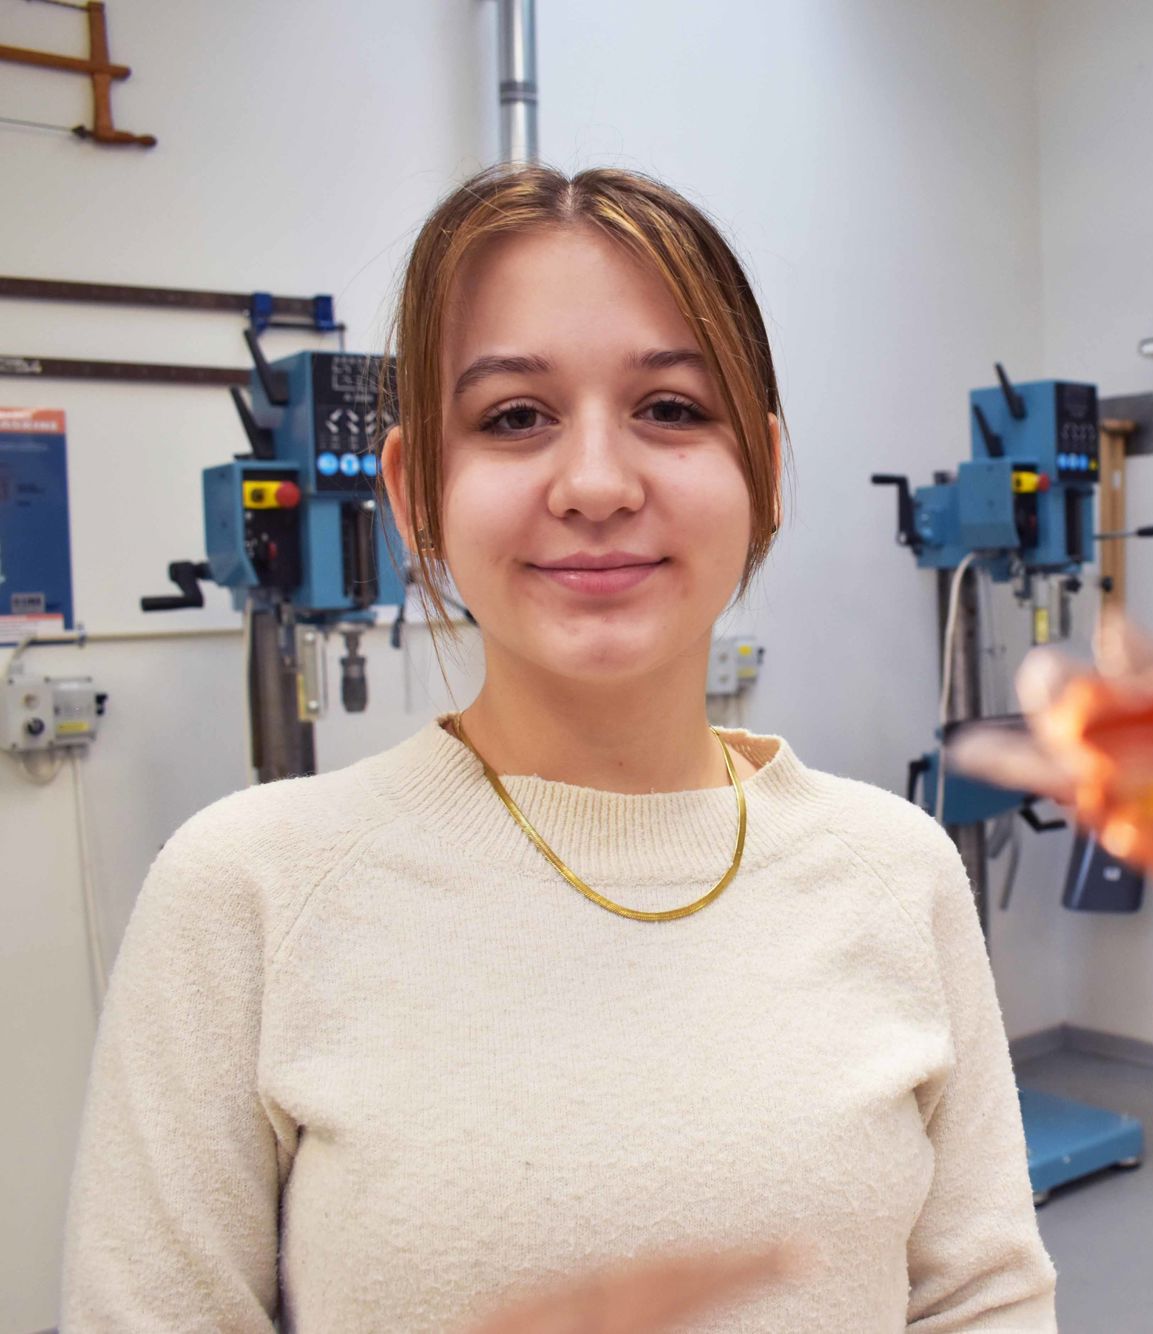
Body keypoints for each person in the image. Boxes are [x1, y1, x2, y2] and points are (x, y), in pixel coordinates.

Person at [61, 164, 1057, 1332]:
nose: (594, 483)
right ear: (413, 492)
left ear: (769, 473)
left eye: (672, 408)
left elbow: (980, 1296)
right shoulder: (247, 891)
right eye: (513, 418)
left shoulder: (898, 868)